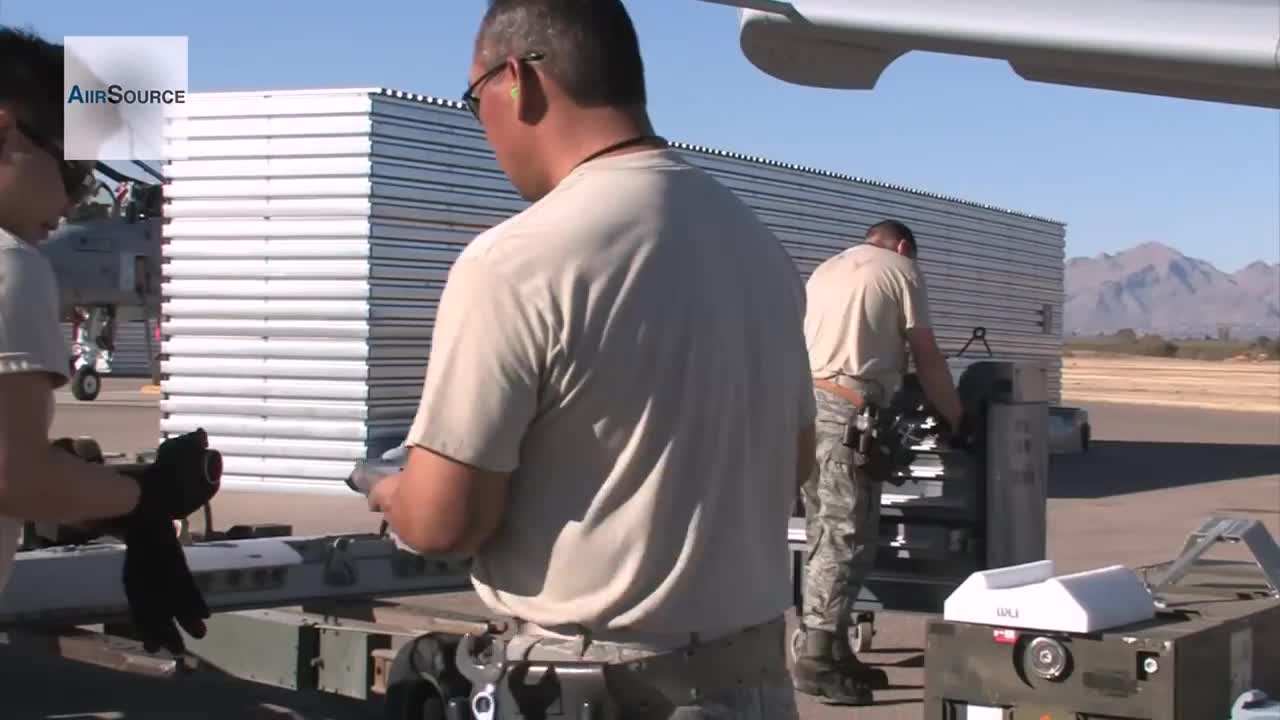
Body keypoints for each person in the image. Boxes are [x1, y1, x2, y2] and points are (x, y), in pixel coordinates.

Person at [367, 1, 815, 716]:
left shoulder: (515, 262)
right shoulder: (759, 249)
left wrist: (394, 493)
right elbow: (791, 462)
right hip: (753, 684)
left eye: (473, 99)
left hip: (595, 689)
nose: (481, 127)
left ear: (516, 81)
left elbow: (445, 525)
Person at [0, 26, 214, 656]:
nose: (72, 202)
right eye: (72, 168)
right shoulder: (13, 264)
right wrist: (146, 499)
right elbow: (13, 475)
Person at [791, 218, 966, 704]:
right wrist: (955, 416)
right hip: (847, 410)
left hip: (805, 406)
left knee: (826, 531)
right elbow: (925, 353)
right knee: (846, 536)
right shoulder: (900, 268)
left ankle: (835, 649)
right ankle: (817, 659)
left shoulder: (828, 268)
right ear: (904, 246)